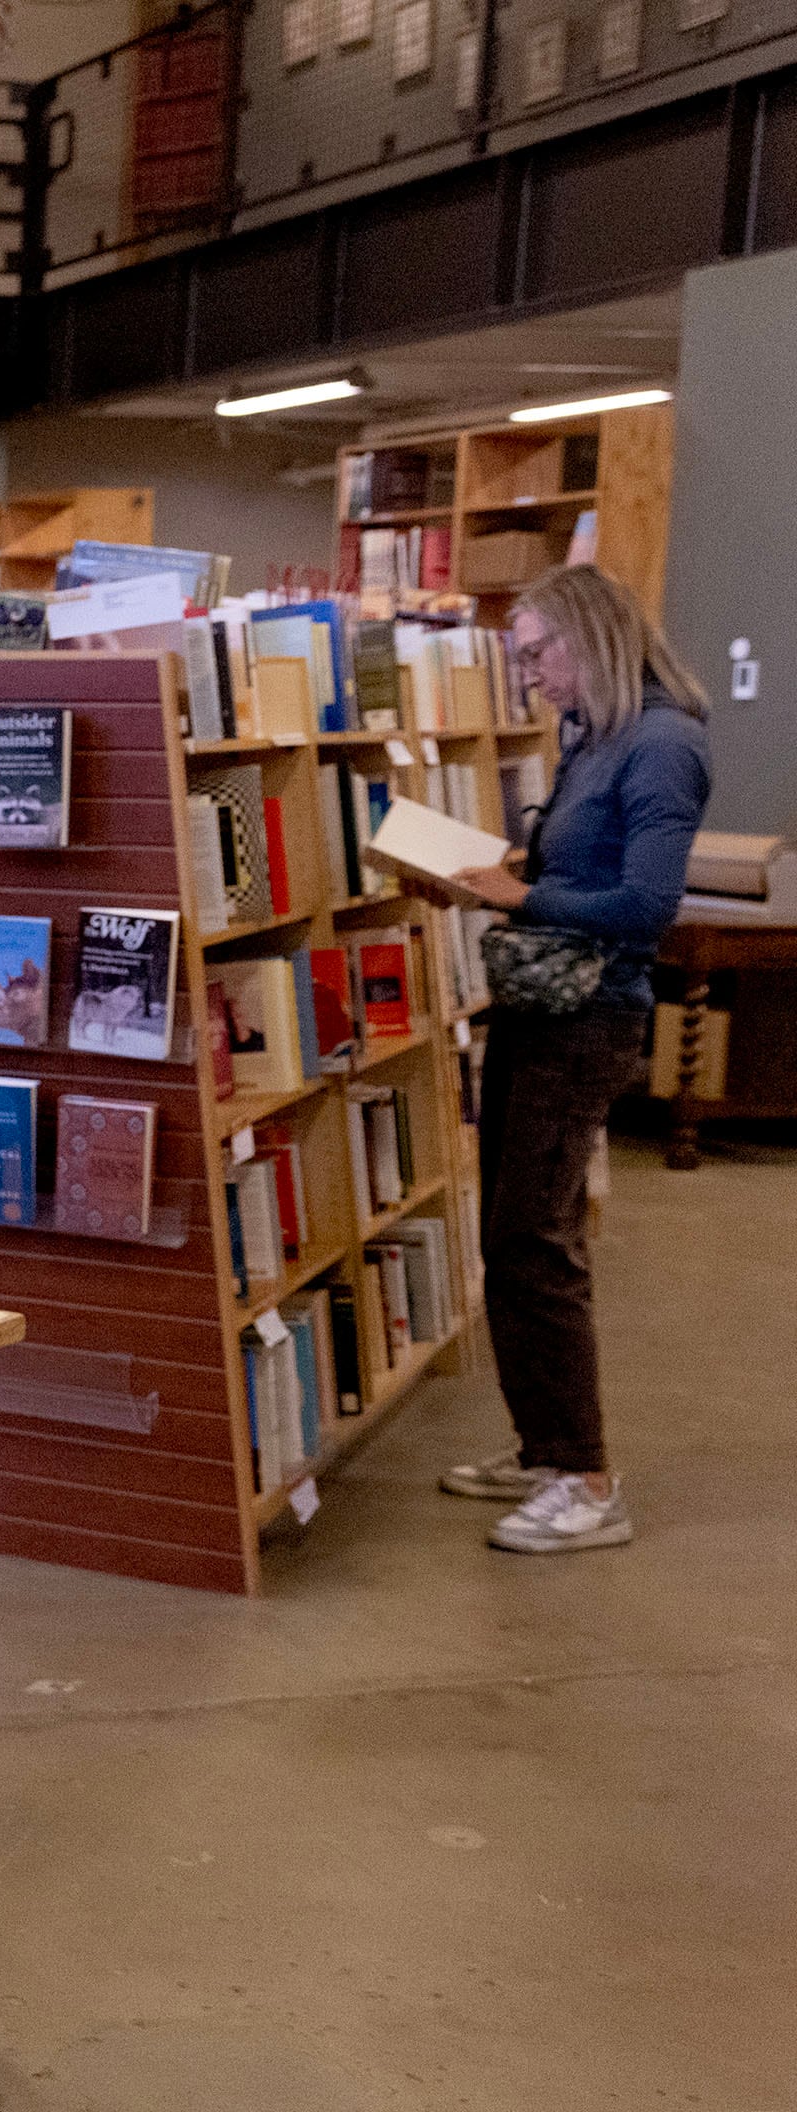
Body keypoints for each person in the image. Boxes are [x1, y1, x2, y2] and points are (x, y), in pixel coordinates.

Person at [438, 565, 710, 1555]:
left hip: (589, 1016)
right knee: (507, 1234)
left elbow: (646, 907)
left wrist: (521, 899)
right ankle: (544, 1448)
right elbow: (577, 867)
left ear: (588, 638)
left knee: (536, 1240)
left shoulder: (663, 743)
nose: (529, 675)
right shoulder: (591, 733)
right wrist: (493, 877)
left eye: (535, 654)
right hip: (538, 1004)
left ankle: (588, 1483)